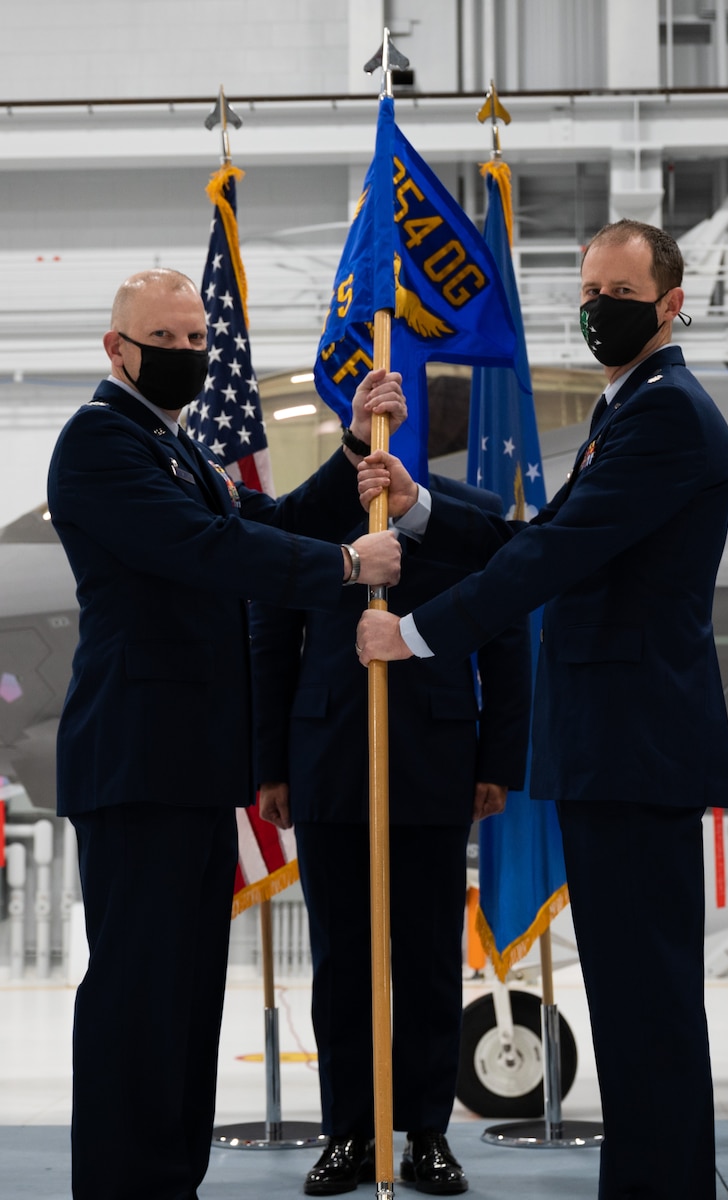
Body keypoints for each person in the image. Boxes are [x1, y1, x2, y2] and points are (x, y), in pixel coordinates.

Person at [355, 220, 728, 1200]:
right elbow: (544, 532)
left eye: (621, 290)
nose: (598, 307)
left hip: (633, 751)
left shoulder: (667, 416)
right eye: (589, 287)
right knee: (631, 1007)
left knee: (645, 1009)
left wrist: (414, 633)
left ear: (670, 303)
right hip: (615, 752)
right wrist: (419, 504)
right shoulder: (633, 411)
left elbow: (550, 560)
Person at [47, 267, 406, 1200]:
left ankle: (168, 1176)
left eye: (197, 341)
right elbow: (209, 552)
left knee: (183, 997)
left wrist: (347, 458)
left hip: (189, 764)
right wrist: (343, 562)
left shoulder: (176, 448)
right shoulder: (100, 443)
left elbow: (262, 521)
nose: (186, 356)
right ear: (115, 347)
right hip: (139, 760)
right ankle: (126, 1184)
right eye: (163, 342)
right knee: (140, 997)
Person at [249, 475, 531, 1196]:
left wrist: (498, 758)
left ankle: (428, 1133)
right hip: (329, 760)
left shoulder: (470, 518)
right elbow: (273, 637)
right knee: (342, 959)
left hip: (435, 760)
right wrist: (271, 765)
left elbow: (504, 638)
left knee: (431, 956)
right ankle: (348, 1131)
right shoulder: (309, 512)